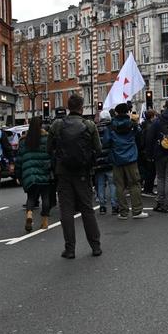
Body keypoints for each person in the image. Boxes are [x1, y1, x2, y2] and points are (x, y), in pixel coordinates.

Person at [48, 94, 103, 258]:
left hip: (63, 172)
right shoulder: (89, 125)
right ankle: (95, 246)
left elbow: (48, 148)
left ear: (67, 106)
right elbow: (98, 149)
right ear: (82, 107)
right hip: (83, 172)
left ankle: (70, 249)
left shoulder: (57, 124)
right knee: (87, 209)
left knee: (66, 210)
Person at [102, 103, 148, 221]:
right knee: (134, 184)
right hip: (131, 157)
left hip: (117, 158)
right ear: (127, 112)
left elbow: (106, 142)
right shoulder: (132, 125)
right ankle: (137, 210)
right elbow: (140, 138)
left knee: (119, 186)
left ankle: (123, 212)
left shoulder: (111, 126)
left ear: (116, 113)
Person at [15, 116, 54, 232]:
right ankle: (45, 221)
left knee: (31, 197)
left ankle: (29, 214)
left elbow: (19, 159)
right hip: (44, 171)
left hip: (29, 172)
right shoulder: (47, 138)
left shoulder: (23, 140)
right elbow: (52, 154)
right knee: (46, 196)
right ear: (42, 125)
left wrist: (18, 175)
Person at [94, 110, 117, 215]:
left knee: (100, 184)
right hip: (110, 159)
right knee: (112, 184)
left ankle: (102, 206)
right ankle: (114, 205)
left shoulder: (95, 129)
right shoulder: (112, 128)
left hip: (98, 160)